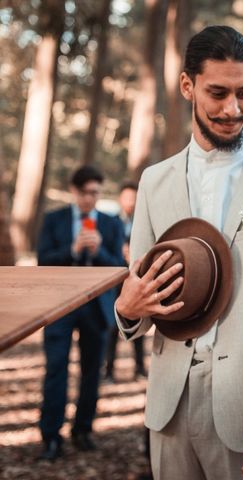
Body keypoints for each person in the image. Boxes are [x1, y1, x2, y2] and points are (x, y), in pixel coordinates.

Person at [114, 26, 243, 480]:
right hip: (168, 405)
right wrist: (127, 313)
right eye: (218, 93)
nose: (233, 109)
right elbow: (142, 289)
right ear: (187, 86)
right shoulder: (153, 181)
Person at [36, 165, 125, 461]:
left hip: (96, 307)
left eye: (96, 193)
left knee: (91, 372)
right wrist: (72, 251)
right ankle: (51, 436)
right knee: (56, 369)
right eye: (86, 192)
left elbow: (119, 268)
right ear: (74, 191)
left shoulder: (111, 224)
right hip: (59, 305)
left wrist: (99, 251)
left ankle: (83, 430)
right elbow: (43, 260)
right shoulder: (54, 220)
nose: (91, 198)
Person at [104, 181, 146, 382]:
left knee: (138, 324)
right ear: (120, 199)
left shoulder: (142, 221)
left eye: (134, 198)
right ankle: (108, 370)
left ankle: (139, 368)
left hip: (136, 278)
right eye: (127, 198)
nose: (130, 202)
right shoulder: (110, 222)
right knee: (113, 327)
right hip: (115, 282)